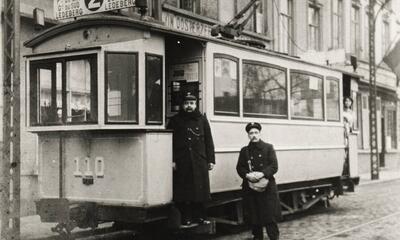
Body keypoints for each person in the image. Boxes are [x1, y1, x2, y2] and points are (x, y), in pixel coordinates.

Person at [167, 92, 215, 226]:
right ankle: (186, 218)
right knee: (184, 193)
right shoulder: (175, 121)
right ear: (183, 105)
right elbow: (169, 143)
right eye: (187, 103)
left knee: (200, 192)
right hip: (183, 161)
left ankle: (200, 217)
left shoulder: (202, 120)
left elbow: (209, 141)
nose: (189, 106)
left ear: (195, 105)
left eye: (192, 103)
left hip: (199, 160)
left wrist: (210, 160)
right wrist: (172, 160)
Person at [236, 122, 281, 240]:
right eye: (251, 133)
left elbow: (274, 166)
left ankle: (274, 237)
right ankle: (257, 238)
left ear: (260, 133)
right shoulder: (244, 150)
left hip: (267, 187)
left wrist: (262, 174)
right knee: (254, 216)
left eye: (256, 132)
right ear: (248, 135)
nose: (254, 135)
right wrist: (247, 175)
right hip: (250, 187)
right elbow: (240, 167)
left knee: (270, 216)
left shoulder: (268, 147)